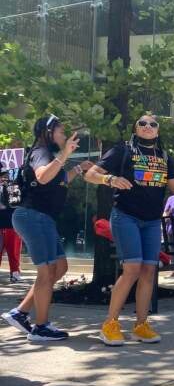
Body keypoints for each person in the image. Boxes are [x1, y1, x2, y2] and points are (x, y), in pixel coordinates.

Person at [84, 114, 174, 346]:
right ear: (136, 129)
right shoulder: (123, 150)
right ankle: (110, 324)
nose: (148, 126)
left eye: (153, 124)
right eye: (143, 123)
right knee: (131, 269)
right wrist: (110, 179)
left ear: (158, 131)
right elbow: (90, 174)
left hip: (152, 221)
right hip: (126, 216)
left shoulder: (163, 156)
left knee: (149, 272)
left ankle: (141, 325)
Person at [1, 115, 93, 341]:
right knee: (47, 271)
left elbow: (59, 179)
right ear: (48, 133)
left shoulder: (50, 157)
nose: (64, 136)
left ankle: (21, 312)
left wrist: (79, 168)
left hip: (43, 219)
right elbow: (43, 177)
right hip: (33, 217)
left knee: (59, 268)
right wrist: (65, 155)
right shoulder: (41, 152)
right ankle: (40, 327)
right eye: (61, 132)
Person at [0, 163, 22, 282]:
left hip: (11, 224)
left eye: (4, 175)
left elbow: (16, 203)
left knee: (13, 250)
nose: (3, 177)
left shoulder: (12, 186)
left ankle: (15, 273)